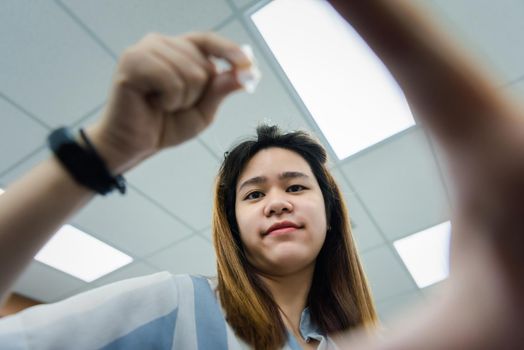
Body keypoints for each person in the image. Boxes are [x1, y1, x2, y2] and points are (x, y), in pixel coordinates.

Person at [0, 1, 523, 349]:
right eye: (253, 194)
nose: (276, 202)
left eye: (296, 186)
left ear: (331, 213)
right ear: (231, 223)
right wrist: (98, 154)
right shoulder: (174, 304)